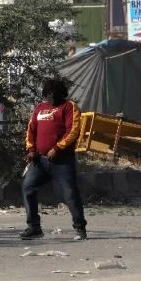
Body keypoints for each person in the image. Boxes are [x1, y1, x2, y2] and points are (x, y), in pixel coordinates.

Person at [21, 78, 87, 241]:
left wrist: (57, 148)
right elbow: (31, 130)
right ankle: (34, 227)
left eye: (54, 93)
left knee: (70, 192)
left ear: (60, 93)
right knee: (28, 187)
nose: (51, 96)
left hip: (62, 161)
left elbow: (73, 131)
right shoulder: (40, 108)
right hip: (40, 161)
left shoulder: (69, 107)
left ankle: (80, 227)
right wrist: (31, 150)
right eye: (48, 94)